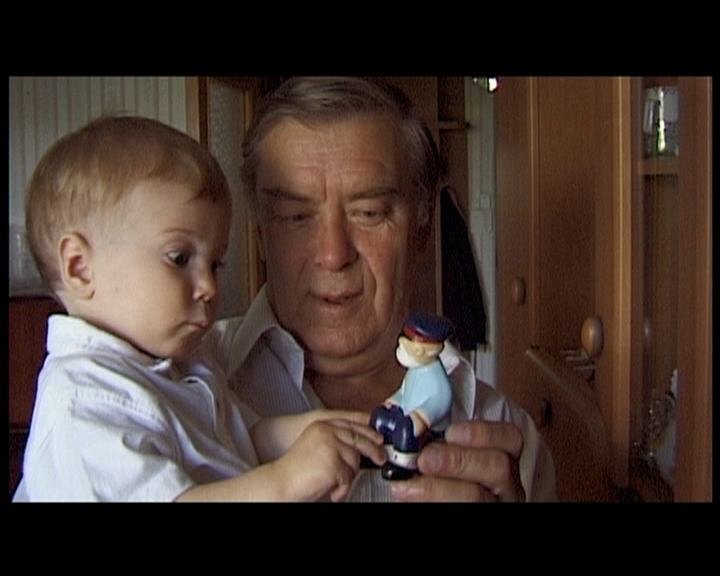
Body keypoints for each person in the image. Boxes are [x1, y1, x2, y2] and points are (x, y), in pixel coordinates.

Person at [13, 115, 386, 502]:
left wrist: (319, 432)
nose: (209, 287)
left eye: (214, 265)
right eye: (179, 258)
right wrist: (284, 481)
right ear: (79, 268)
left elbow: (246, 438)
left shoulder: (184, 366)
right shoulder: (84, 402)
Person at [225, 76, 557, 502]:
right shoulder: (172, 395)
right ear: (260, 234)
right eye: (295, 216)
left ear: (422, 229)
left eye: (369, 213)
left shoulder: (505, 435)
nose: (333, 254)